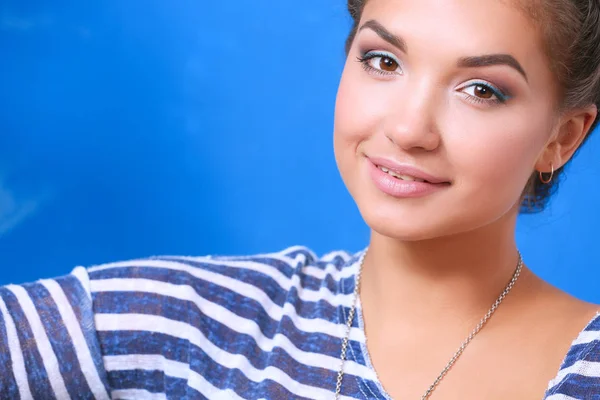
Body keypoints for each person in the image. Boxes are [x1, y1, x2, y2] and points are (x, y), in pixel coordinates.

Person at [1, 0, 600, 398]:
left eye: (480, 90)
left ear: (562, 136)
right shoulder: (191, 326)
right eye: (383, 60)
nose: (409, 129)